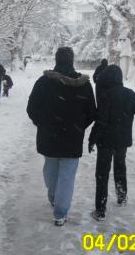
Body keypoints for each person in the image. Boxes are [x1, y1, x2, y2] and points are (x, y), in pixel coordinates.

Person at [27, 47, 96, 226]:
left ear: (56, 59)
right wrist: (78, 127)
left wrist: (43, 124)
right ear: (72, 60)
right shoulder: (84, 84)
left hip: (49, 137)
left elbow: (32, 108)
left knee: (50, 170)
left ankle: (54, 198)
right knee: (67, 176)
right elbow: (91, 112)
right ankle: (60, 212)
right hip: (72, 138)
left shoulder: (44, 82)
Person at [88, 65, 135, 221]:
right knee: (120, 167)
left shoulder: (105, 95)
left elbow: (100, 122)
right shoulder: (130, 95)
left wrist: (92, 140)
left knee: (102, 174)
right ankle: (122, 196)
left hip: (105, 142)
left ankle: (100, 210)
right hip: (122, 141)